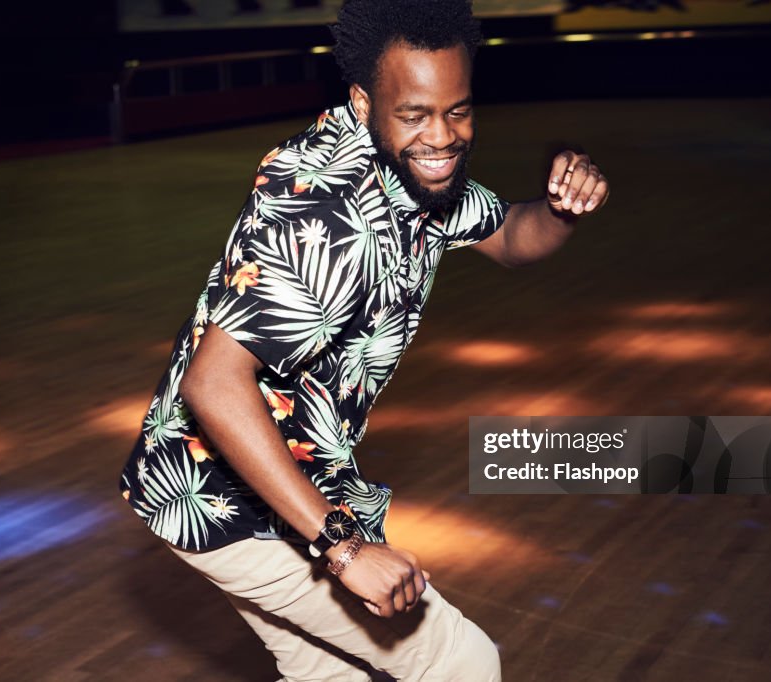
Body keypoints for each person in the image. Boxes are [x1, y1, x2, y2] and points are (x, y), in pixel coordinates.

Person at [118, 0, 609, 679]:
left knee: (328, 675)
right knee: (458, 659)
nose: (441, 136)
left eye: (457, 110)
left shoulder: (414, 168)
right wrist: (342, 549)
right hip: (216, 489)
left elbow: (510, 239)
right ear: (362, 100)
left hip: (285, 477)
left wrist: (560, 210)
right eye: (414, 114)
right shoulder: (322, 212)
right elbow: (213, 382)